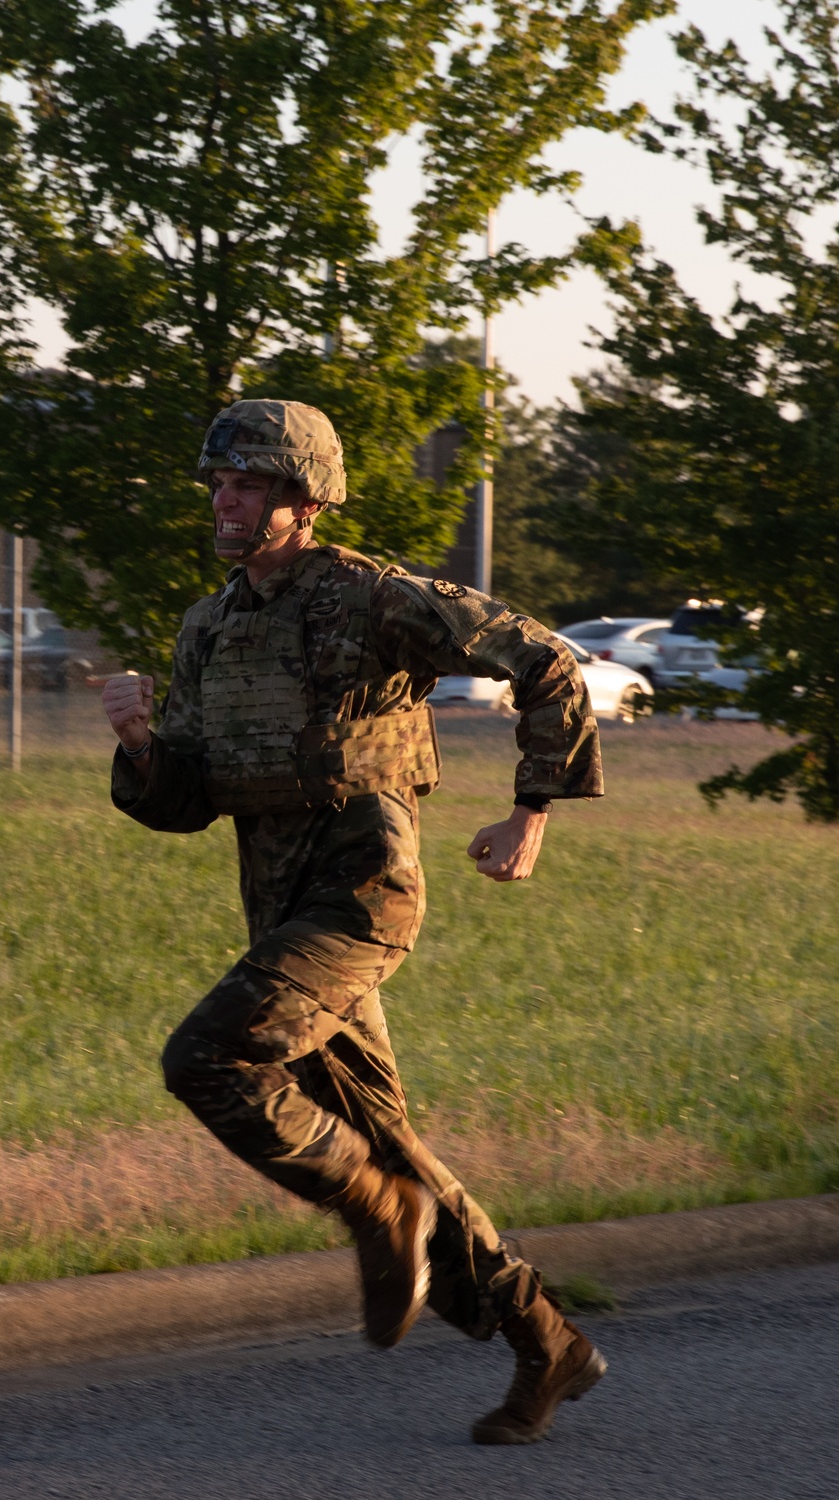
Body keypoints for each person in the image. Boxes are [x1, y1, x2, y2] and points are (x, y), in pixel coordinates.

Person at [102, 398, 607, 1445]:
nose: (223, 500)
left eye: (243, 484)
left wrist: (531, 813)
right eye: (218, 484)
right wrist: (143, 743)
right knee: (384, 1143)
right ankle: (547, 1340)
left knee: (207, 1060)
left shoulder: (376, 600)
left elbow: (546, 660)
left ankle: (377, 1213)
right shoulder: (212, 625)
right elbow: (184, 803)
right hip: (279, 917)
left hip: (362, 899)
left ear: (301, 497)